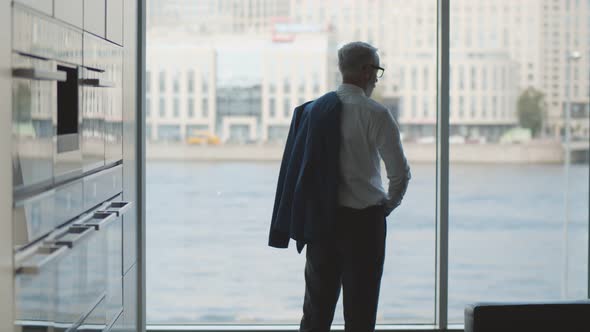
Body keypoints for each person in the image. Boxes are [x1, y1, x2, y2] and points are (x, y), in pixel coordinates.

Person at [269, 41, 410, 332]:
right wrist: (388, 205)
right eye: (377, 71)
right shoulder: (376, 114)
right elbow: (400, 174)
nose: (376, 78)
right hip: (364, 223)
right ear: (365, 72)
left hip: (321, 222)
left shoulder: (312, 111)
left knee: (316, 311)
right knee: (361, 311)